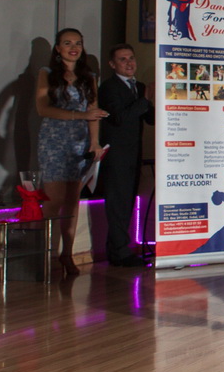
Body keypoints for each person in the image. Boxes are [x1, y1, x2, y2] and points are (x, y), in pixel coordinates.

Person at [34, 29, 108, 276]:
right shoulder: (47, 73)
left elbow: (94, 111)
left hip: (79, 141)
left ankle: (67, 254)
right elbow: (43, 109)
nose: (73, 48)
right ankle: (46, 256)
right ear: (58, 48)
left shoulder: (89, 76)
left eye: (78, 43)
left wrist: (95, 143)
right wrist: (79, 115)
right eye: (67, 43)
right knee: (53, 201)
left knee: (72, 202)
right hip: (54, 140)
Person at [98, 43, 153, 267]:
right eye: (123, 59)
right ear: (112, 64)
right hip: (117, 155)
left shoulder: (138, 87)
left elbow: (150, 118)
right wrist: (144, 100)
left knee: (128, 202)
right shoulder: (108, 88)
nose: (129, 63)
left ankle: (119, 249)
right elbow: (119, 118)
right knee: (118, 203)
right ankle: (120, 252)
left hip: (134, 153)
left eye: (131, 58)